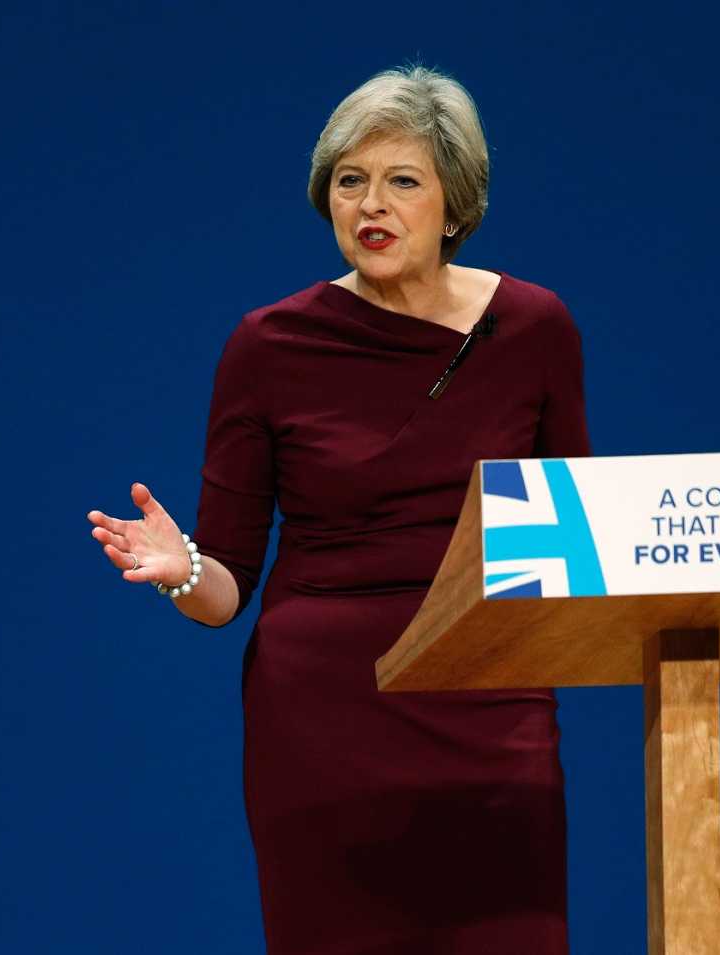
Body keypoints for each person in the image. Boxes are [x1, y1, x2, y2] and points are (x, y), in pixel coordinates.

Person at [86, 65, 590, 954]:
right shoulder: (268, 344)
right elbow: (228, 585)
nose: (371, 203)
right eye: (350, 181)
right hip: (322, 722)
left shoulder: (537, 329)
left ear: (455, 202)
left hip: (489, 703)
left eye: (403, 180)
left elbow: (577, 539)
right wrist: (185, 570)